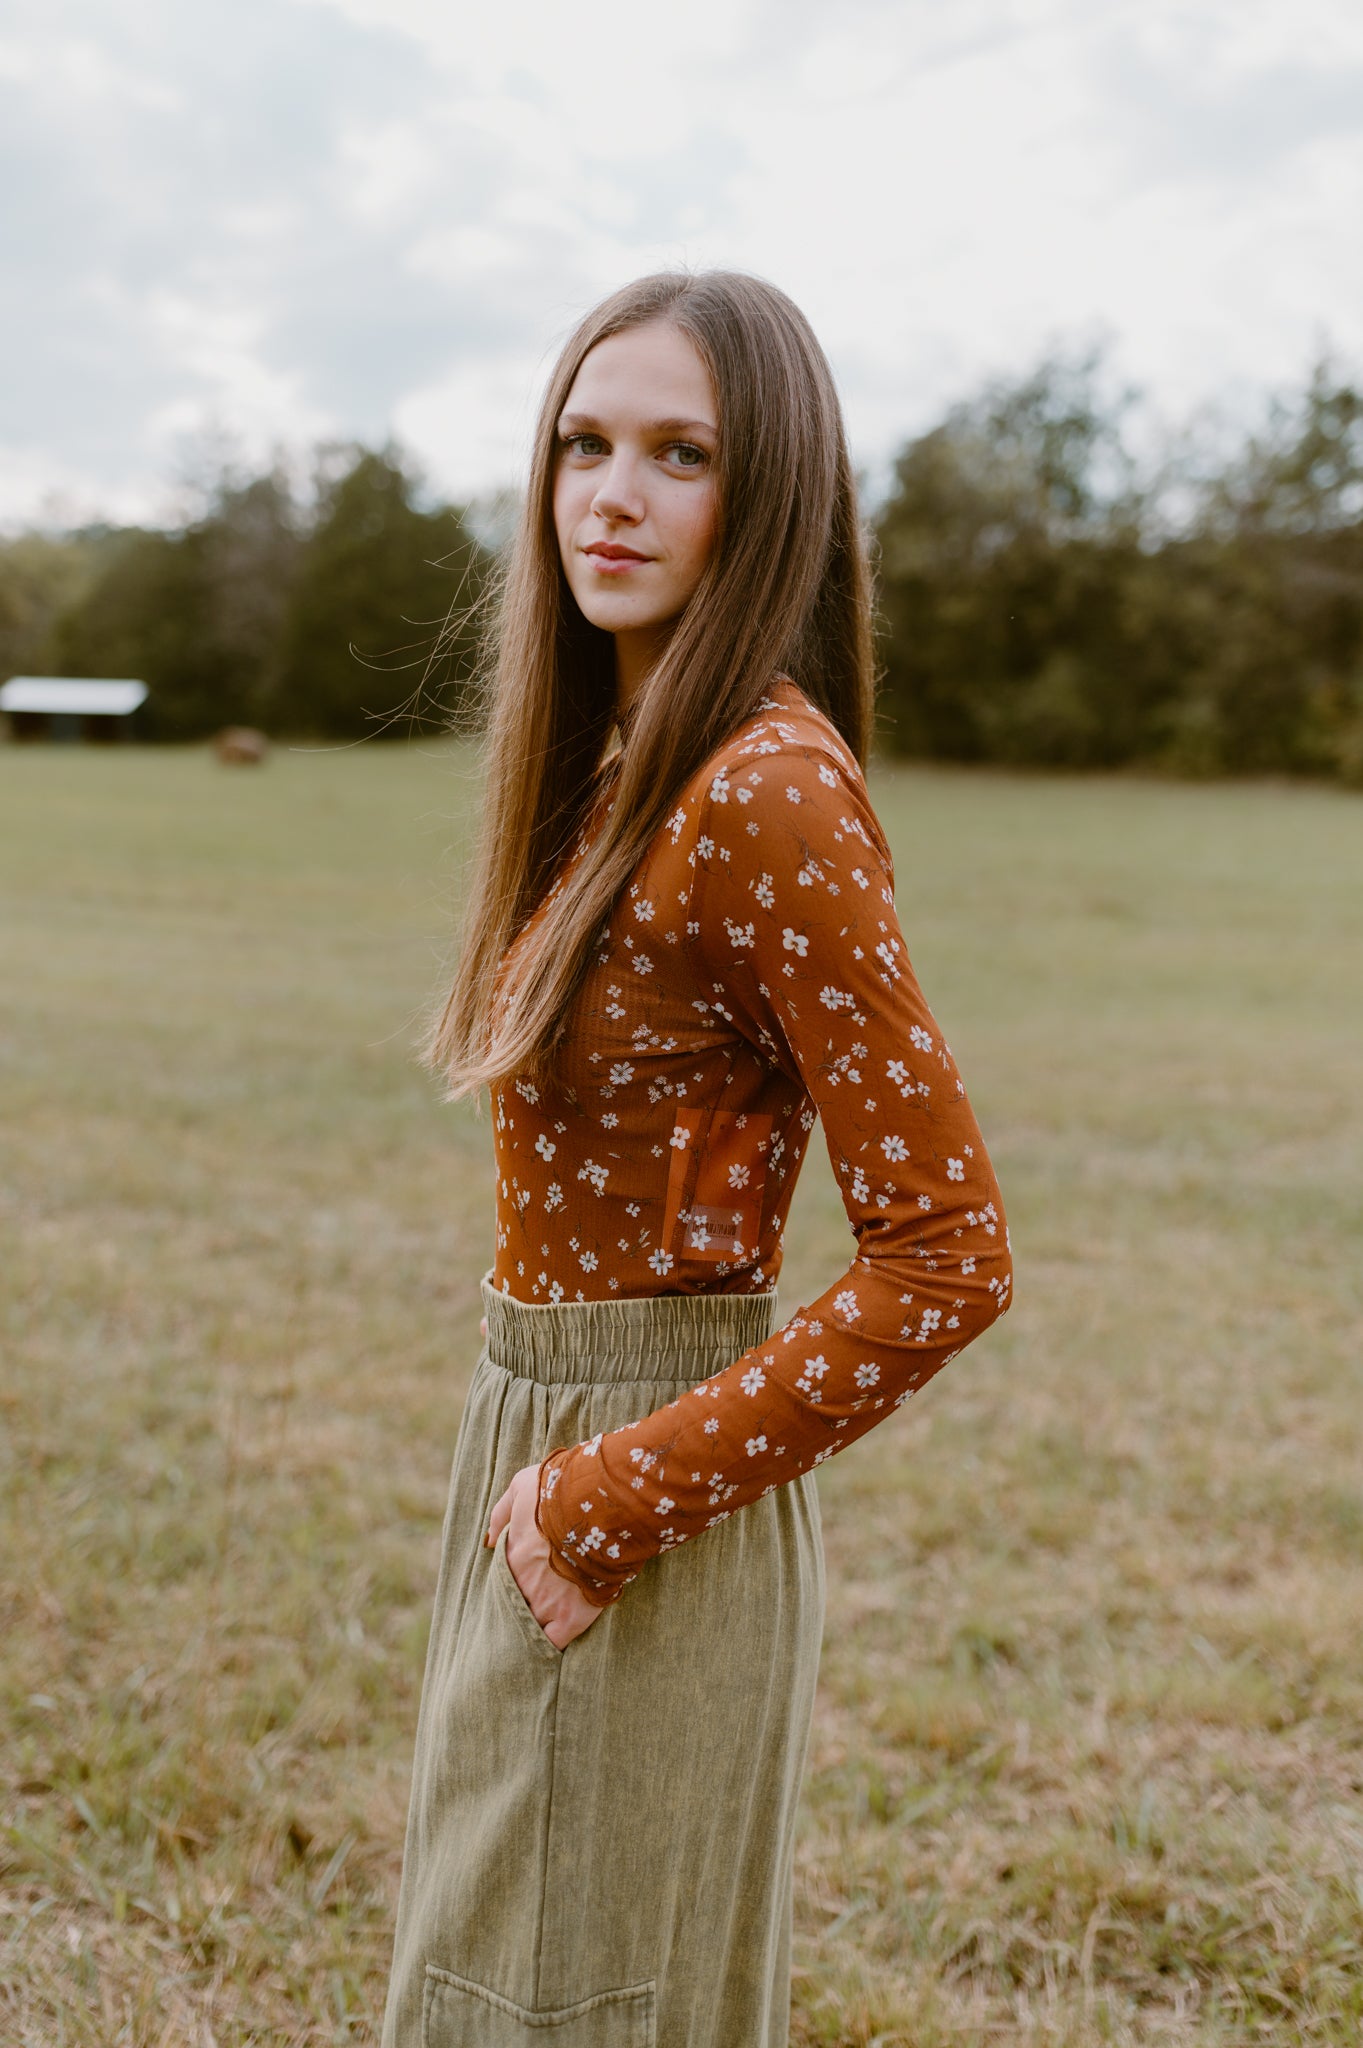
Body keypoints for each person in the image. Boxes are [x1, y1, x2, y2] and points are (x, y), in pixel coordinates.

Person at [381, 270, 1012, 2048]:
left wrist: (607, 1499)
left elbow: (946, 1256)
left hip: (639, 1478)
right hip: (534, 1424)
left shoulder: (766, 788)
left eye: (680, 454)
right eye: (583, 444)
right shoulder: (622, 764)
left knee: (550, 2003)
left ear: (775, 497)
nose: (611, 495)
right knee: (509, 1975)